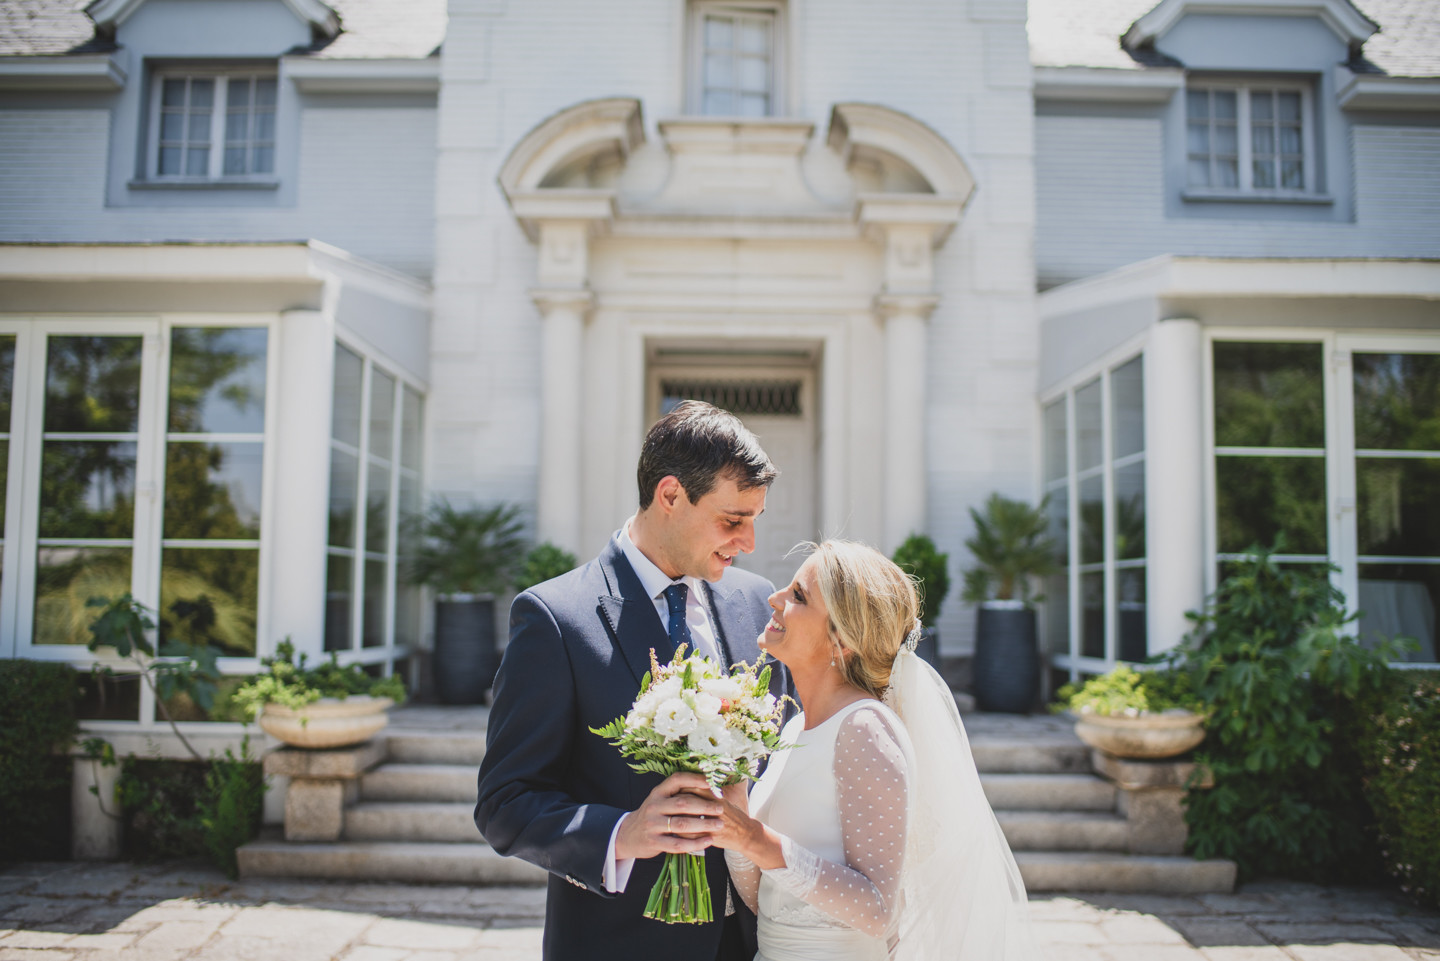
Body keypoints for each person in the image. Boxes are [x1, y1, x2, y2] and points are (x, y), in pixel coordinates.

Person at [475, 401, 792, 961]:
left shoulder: (754, 601)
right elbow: (505, 803)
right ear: (670, 495)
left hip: (757, 940)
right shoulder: (554, 616)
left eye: (753, 521)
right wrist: (622, 833)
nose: (747, 543)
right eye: (732, 520)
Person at [685, 540, 1042, 961]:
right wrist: (736, 812)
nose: (774, 599)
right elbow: (768, 902)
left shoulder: (864, 730)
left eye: (798, 596)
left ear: (842, 641)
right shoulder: (794, 726)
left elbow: (877, 910)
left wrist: (755, 839)